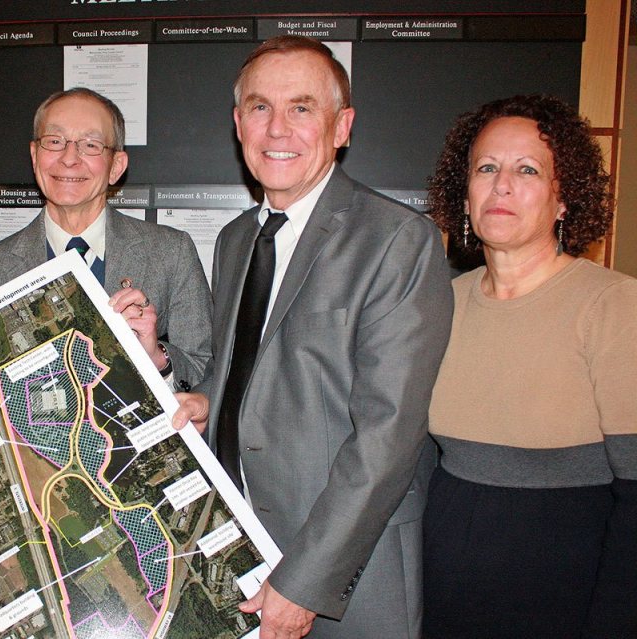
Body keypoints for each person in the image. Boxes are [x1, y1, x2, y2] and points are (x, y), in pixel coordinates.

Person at [172, 36, 453, 638]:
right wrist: (205, 402)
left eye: (302, 108)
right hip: (237, 550)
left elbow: (388, 436)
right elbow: (245, 369)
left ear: (342, 126)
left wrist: (305, 581)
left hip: (347, 571)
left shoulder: (398, 241)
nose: (277, 129)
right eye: (259, 107)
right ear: (237, 123)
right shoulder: (235, 240)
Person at [424, 94, 637, 638]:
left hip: (566, 600)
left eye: (528, 170)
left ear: (564, 200)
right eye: (487, 168)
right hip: (446, 593)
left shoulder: (614, 305)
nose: (502, 186)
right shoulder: (442, 302)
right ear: (464, 192)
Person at [0, 87, 211, 389]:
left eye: (91, 145)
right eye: (54, 142)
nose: (69, 158)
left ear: (116, 166)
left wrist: (157, 357)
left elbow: (206, 371)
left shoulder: (172, 252)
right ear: (34, 156)